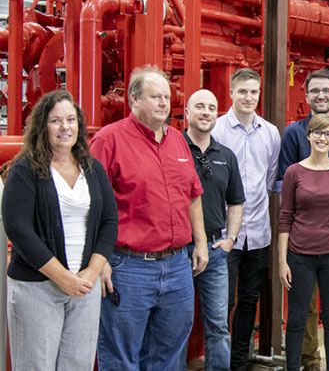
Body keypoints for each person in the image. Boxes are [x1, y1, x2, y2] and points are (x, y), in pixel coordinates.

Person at [91, 65, 209, 370]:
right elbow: (91, 204)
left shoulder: (178, 140)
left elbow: (193, 194)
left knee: (170, 356)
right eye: (155, 97)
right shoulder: (109, 140)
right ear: (134, 99)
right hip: (128, 267)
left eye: (166, 97)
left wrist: (201, 242)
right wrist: (98, 259)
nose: (163, 103)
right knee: (121, 357)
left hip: (177, 266)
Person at [2, 90, 118, 370]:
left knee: (77, 364)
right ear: (42, 127)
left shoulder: (93, 168)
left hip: (84, 287)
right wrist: (62, 277)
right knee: (36, 365)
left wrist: (91, 272)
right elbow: (19, 229)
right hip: (37, 287)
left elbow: (109, 221)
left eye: (70, 119)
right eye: (55, 121)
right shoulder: (24, 170)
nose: (65, 127)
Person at [278, 69, 329, 371]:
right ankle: (307, 362)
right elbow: (285, 207)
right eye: (315, 91)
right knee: (301, 314)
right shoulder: (292, 139)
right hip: (301, 248)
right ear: (307, 94)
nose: (321, 95)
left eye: (326, 90)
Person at [211, 67, 281, 371]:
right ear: (231, 93)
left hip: (258, 234)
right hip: (225, 236)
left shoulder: (270, 133)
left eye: (253, 92)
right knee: (221, 304)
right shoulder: (217, 130)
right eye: (242, 91)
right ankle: (220, 364)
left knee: (248, 301)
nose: (248, 97)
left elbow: (269, 181)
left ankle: (238, 363)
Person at [182, 89, 245, 371]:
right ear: (187, 112)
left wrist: (231, 239)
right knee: (174, 324)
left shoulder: (226, 156)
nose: (206, 112)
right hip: (177, 252)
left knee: (218, 324)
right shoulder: (173, 149)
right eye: (199, 107)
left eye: (211, 107)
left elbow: (236, 202)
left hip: (217, 251)